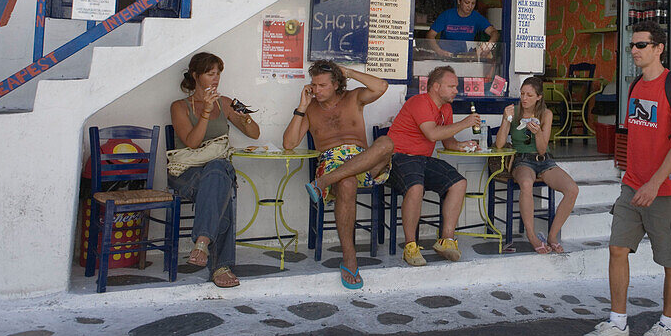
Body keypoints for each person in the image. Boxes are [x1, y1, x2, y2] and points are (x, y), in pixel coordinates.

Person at [582, 21, 671, 336]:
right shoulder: (633, 86)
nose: (633, 50)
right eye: (632, 45)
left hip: (667, 190)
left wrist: (655, 182)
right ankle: (618, 323)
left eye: (641, 45)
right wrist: (633, 177)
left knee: (670, 261)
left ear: (658, 48)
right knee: (617, 249)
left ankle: (666, 325)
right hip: (632, 186)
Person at [285, 60, 393, 290]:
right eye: (314, 85)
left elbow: (381, 87)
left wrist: (349, 72)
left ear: (336, 84)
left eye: (322, 85)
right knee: (346, 182)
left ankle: (322, 183)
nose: (316, 90)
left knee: (386, 143)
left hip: (363, 161)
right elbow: (289, 143)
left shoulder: (353, 98)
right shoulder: (311, 108)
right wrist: (302, 106)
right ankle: (350, 258)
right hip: (332, 162)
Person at [169, 52, 260, 288]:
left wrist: (245, 119)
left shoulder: (226, 102)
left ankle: (202, 242)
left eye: (218, 73)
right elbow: (192, 143)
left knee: (219, 172)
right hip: (187, 174)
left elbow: (255, 134)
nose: (216, 78)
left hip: (215, 172)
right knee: (223, 189)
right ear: (195, 75)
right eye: (210, 73)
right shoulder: (179, 106)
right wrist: (206, 111)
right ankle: (221, 265)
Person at [387, 65, 479, 266]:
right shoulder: (419, 101)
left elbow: (448, 142)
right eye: (452, 86)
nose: (457, 90)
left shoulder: (446, 108)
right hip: (399, 158)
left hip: (421, 160)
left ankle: (446, 240)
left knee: (459, 183)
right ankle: (410, 247)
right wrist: (465, 123)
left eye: (456, 86)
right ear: (436, 87)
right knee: (415, 187)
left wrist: (463, 146)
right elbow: (432, 134)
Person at [494, 76, 579, 253]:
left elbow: (541, 150)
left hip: (543, 159)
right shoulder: (515, 112)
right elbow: (500, 144)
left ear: (539, 97)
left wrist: (538, 132)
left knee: (572, 189)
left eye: (529, 95)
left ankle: (552, 236)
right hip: (521, 159)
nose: (524, 98)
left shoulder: (546, 114)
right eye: (522, 94)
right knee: (526, 183)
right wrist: (505, 120)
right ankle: (532, 236)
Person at [425, 0, 499, 58]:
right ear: (459, 1)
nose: (470, 6)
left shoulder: (476, 17)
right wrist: (439, 51)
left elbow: (494, 33)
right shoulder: (447, 15)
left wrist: (488, 47)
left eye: (473, 3)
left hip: (466, 58)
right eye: (467, 2)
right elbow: (430, 35)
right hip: (446, 57)